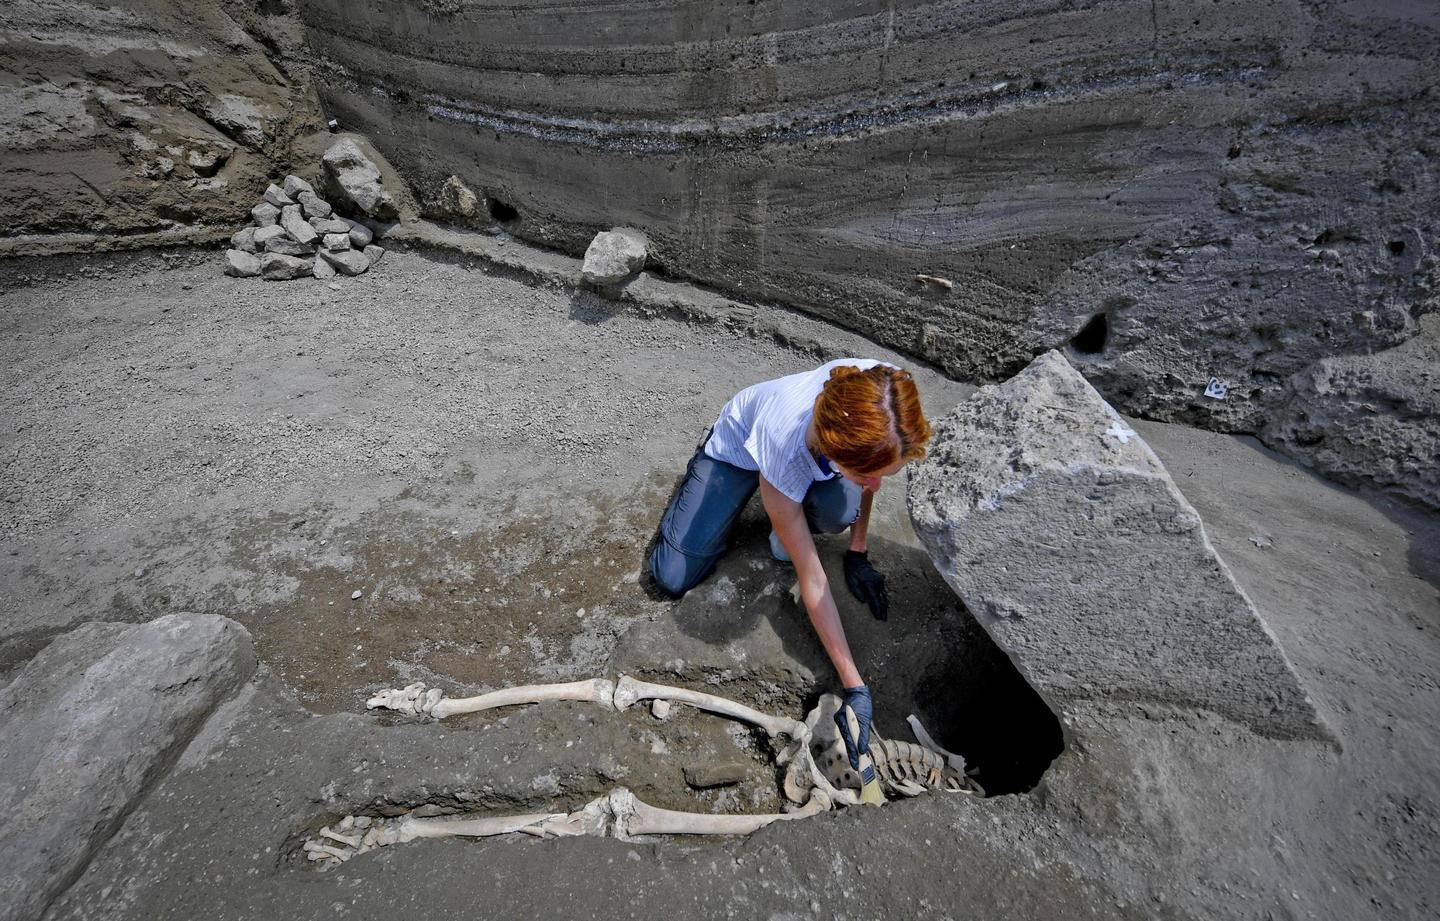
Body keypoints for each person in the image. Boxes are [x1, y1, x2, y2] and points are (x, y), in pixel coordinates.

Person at [649, 358, 933, 788]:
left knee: (840, 509)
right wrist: (855, 684)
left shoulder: (885, 392)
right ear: (834, 448)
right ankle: (741, 494)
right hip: (739, 449)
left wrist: (858, 549)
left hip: (811, 459)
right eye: (864, 474)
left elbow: (873, 467)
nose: (876, 485)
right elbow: (812, 579)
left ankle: (792, 510)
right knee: (671, 576)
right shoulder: (783, 443)